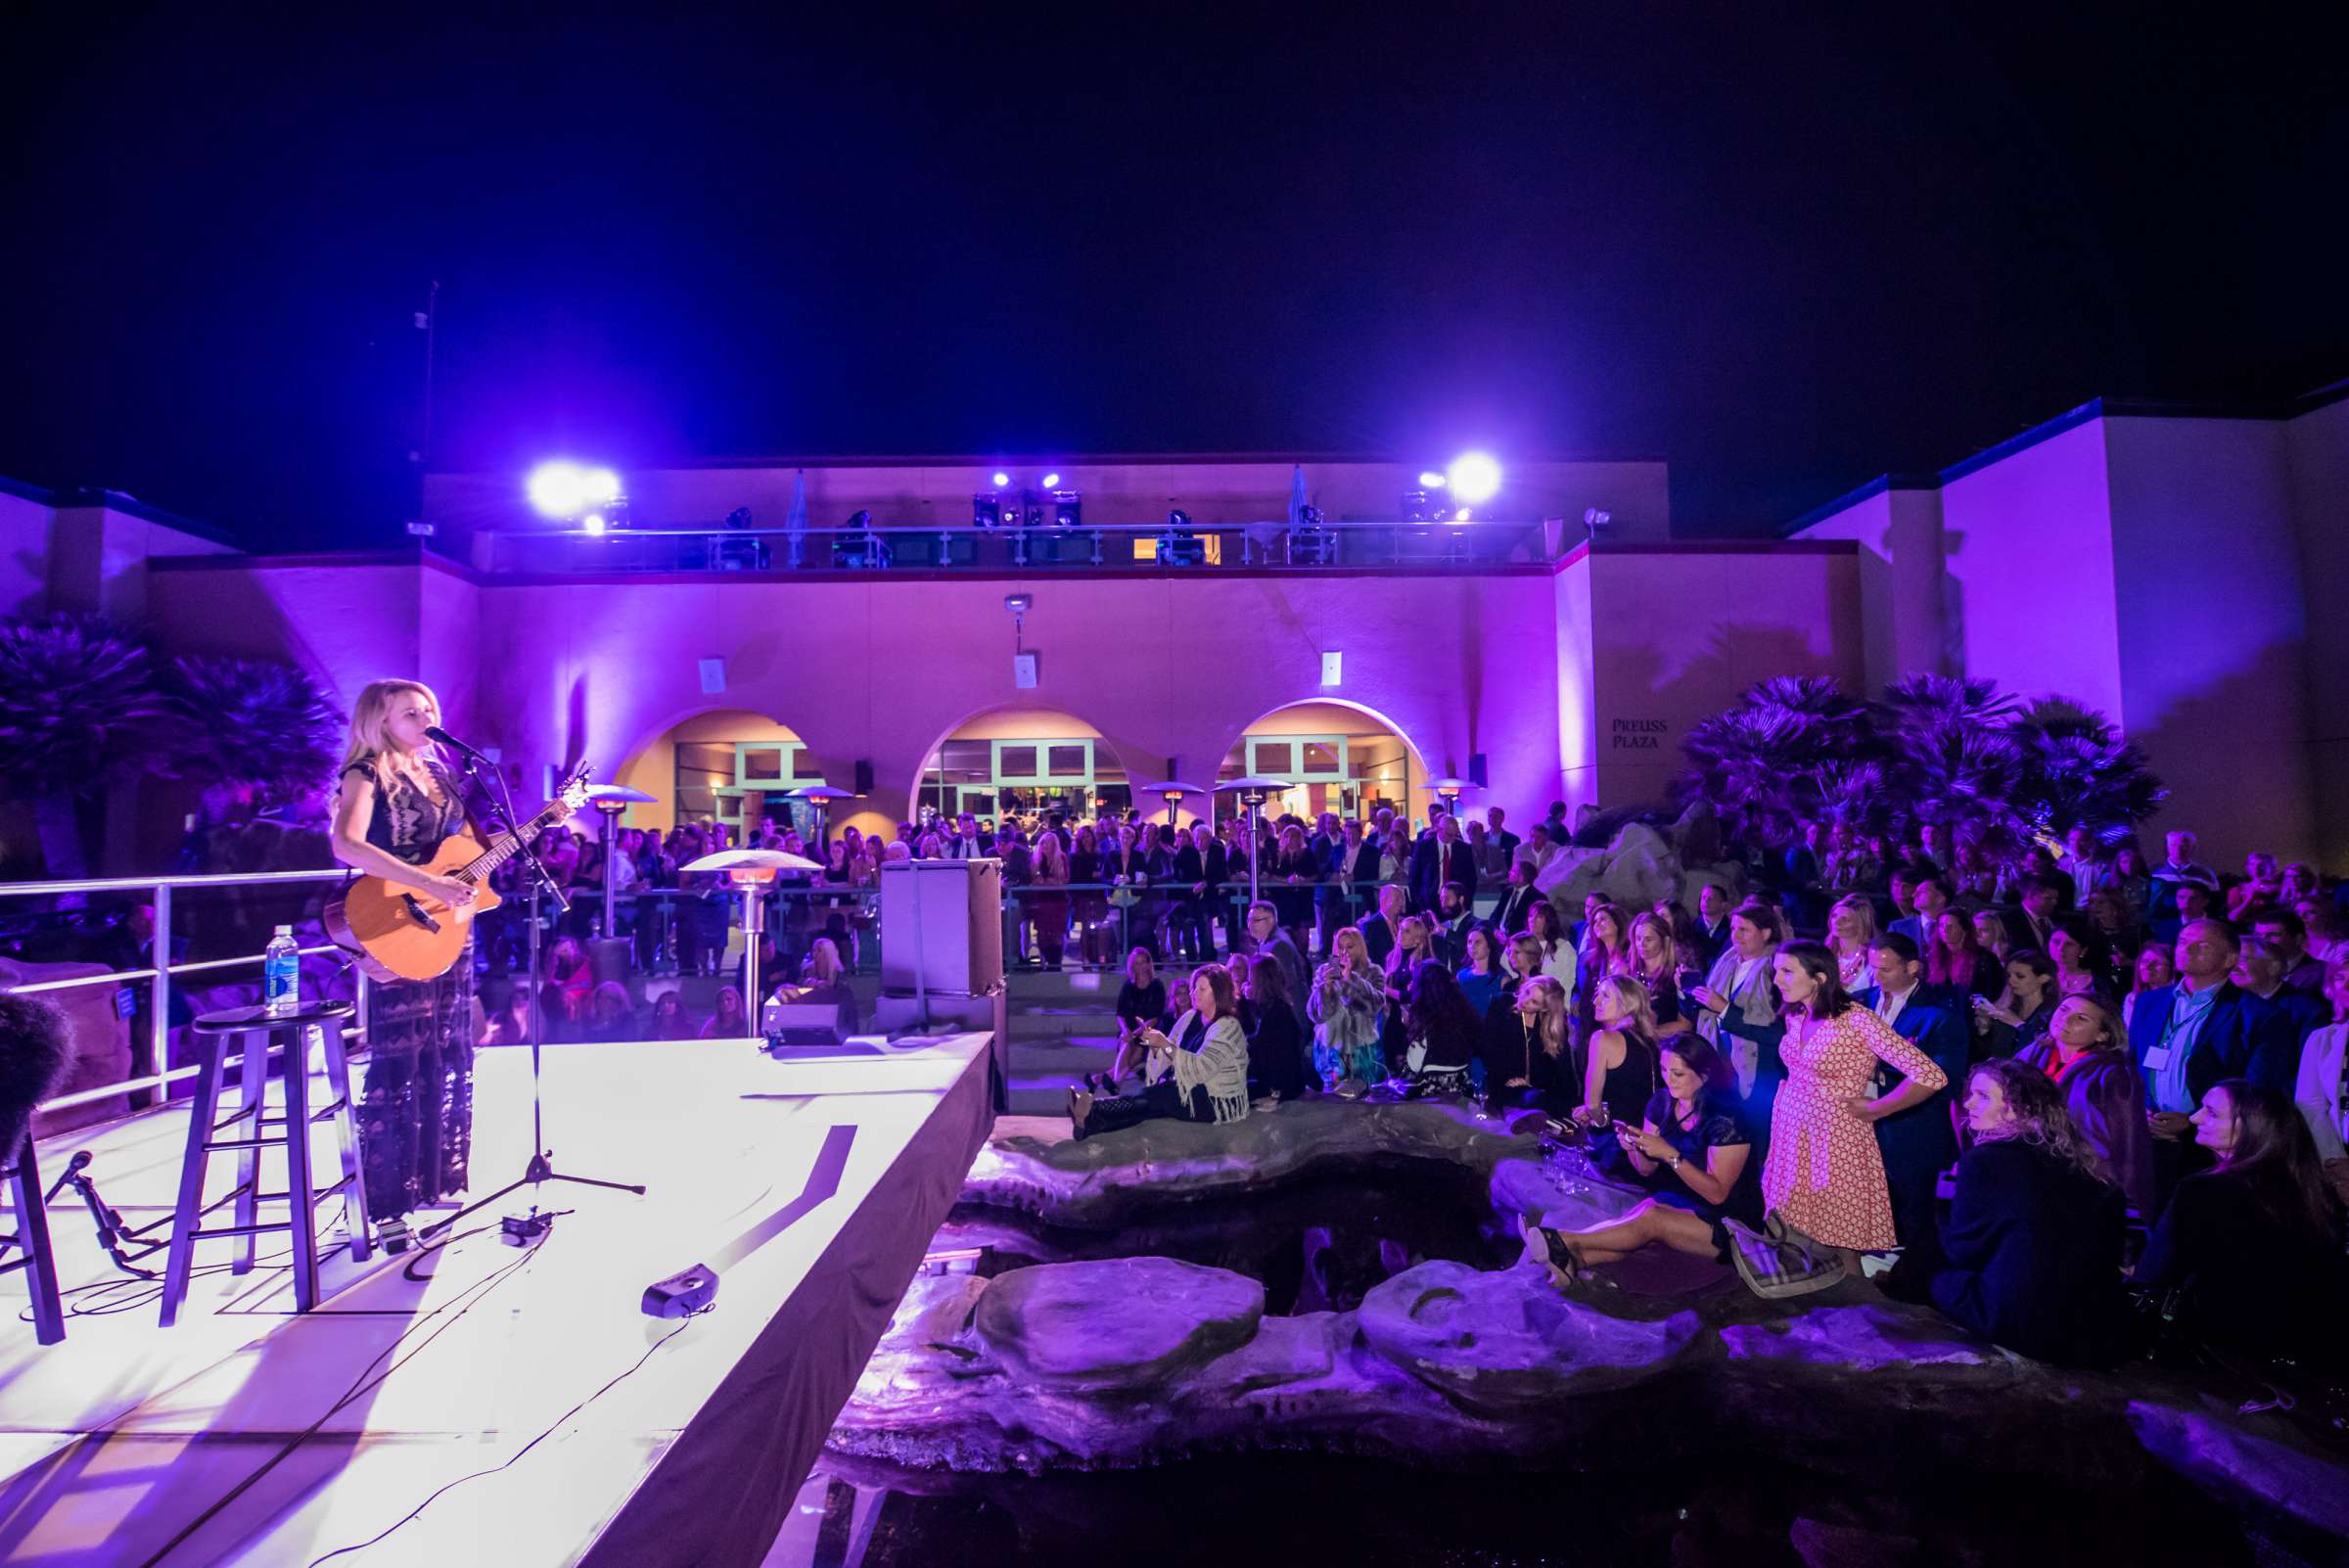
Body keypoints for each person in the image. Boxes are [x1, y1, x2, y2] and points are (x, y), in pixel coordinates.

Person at [327, 679, 482, 1231]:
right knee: (401, 1054)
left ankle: (434, 1179)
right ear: (380, 722)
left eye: (428, 709)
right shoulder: (363, 775)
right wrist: (427, 883)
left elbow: (464, 854)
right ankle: (387, 1197)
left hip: (445, 927)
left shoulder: (442, 775)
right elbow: (347, 844)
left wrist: (534, 830)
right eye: (409, 712)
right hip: (398, 919)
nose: (424, 718)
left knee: (444, 1047)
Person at [1919, 1059, 2129, 1366]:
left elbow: (1964, 1251)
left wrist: (1939, 1213)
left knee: (1929, 1263)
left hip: (2019, 1322)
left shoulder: (1986, 1161)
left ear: (2021, 1110)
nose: (1968, 1103)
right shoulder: (2085, 1169)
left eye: (1983, 1096)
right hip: (2089, 1329)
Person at [1757, 940, 1949, 1270]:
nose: (1777, 980)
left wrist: (1879, 1108)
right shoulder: (1797, 1014)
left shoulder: (1857, 1020)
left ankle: (1859, 1309)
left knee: (1841, 1239)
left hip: (1836, 1139)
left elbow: (1930, 1075)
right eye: (1776, 971)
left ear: (1818, 977)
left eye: (1787, 971)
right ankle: (1805, 1303)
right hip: (1793, 1132)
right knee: (1795, 1231)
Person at [2134, 1081, 2349, 1371]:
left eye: (2211, 1113)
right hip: (2307, 1349)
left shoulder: (2202, 1191)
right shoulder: (2313, 1190)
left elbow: (2155, 1273)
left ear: (2251, 1127)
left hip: (2219, 1349)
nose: (2195, 1118)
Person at [1524, 1035, 1763, 1279]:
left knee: (1652, 1218)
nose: (1668, 1079)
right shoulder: (1662, 1102)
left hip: (1733, 1226)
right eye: (1663, 1069)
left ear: (1705, 1075)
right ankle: (1571, 1260)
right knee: (1644, 1214)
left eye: (1677, 1073)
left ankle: (1562, 1240)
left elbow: (1717, 1194)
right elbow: (1645, 1170)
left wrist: (1670, 1155)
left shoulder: (1727, 1119)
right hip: (1686, 1205)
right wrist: (1633, 1147)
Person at [2130, 918, 2301, 1206]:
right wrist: (2143, 1111)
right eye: (2183, 942)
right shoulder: (2150, 1002)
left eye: (2203, 945)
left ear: (2230, 959)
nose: (2188, 949)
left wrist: (2194, 1121)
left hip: (2215, 1149)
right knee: (2156, 1230)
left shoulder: (2260, 1015)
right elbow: (2133, 1065)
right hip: (2152, 1140)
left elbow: (2258, 1090)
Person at [1853, 932, 1972, 1266]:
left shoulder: (1940, 1016)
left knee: (1914, 1212)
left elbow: (1942, 1078)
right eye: (1873, 967)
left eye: (1886, 969)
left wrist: (1879, 1101)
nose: (1877, 976)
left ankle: (1916, 1279)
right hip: (1860, 1124)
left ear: (1913, 967)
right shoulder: (1860, 1002)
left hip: (1913, 1130)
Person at [2017, 992, 2155, 1219]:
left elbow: (2129, 1141)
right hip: (2028, 1173)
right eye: (2064, 1010)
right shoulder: (2032, 1053)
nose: (2066, 1019)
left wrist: (2131, 1200)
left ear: (2102, 1035)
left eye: (2081, 1018)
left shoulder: (2113, 1073)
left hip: (2082, 1179)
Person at [1069, 966, 1251, 1138]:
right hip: (1188, 1089)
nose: (1194, 993)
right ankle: (1091, 1123)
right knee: (1152, 1103)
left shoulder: (1228, 1026)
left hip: (1218, 1100)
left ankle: (1093, 1109)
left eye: (1202, 989)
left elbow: (1200, 1070)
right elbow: (1168, 1053)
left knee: (1163, 1095)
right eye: (1194, 987)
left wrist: (1164, 1044)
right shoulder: (1189, 1017)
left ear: (1218, 992)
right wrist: (1155, 1045)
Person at [1690, 900, 1784, 1109]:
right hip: (1720, 1066)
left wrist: (1725, 1009)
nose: (1735, 935)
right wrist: (1684, 993)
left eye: (1744, 929)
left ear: (1766, 933)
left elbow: (1778, 1032)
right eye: (1733, 928)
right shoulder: (1726, 961)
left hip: (1759, 1071)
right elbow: (1701, 1013)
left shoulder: (1777, 970)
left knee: (1756, 1134)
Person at [2289, 960, 2349, 1204]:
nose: (2347, 985)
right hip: (2340, 1154)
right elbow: (2310, 1105)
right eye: (2340, 978)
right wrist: (2336, 1165)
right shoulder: (2322, 1038)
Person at [1309, 925, 1386, 1085]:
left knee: (1364, 1101)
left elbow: (1376, 1005)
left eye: (1350, 947)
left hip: (1362, 1048)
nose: (1344, 952)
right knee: (1333, 1101)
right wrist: (1326, 989)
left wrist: (1351, 979)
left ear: (1360, 947)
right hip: (1331, 1049)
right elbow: (1315, 1014)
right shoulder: (1324, 971)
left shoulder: (1373, 972)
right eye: (1340, 947)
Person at [1581, 976, 1660, 1131]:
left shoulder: (1602, 1039)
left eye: (1605, 997)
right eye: (1598, 995)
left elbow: (1592, 1104)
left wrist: (1600, 1121)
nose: (1595, 1001)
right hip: (1647, 1136)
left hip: (1619, 1139)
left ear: (1626, 1005)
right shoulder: (1650, 1040)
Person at [1487, 973, 1574, 1113]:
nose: (1525, 1000)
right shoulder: (1502, 1003)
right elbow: (1489, 1048)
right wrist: (1512, 1078)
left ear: (1544, 1009)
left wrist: (1531, 1084)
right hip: (1502, 1084)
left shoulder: (1552, 1025)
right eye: (1527, 992)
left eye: (1534, 1002)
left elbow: (1556, 1069)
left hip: (1537, 1091)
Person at [1401, 960, 1482, 1093]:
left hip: (1433, 1098)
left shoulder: (1425, 1020)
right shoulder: (1465, 1015)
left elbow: (1414, 1065)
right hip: (1462, 1093)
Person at [1240, 953, 1308, 1100]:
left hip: (1280, 1083)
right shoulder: (1273, 1004)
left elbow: (1263, 1046)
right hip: (1279, 1078)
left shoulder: (1276, 1010)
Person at [1977, 949, 2057, 1058]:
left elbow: (2044, 1052)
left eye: (2020, 976)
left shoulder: (2053, 1014)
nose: (2011, 980)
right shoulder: (2006, 1005)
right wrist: (1984, 1025)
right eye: (2009, 975)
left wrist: (2018, 1025)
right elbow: (1990, 1053)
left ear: (2043, 978)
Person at [1925, 909, 2003, 998]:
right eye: (1941, 926)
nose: (1945, 930)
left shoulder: (1984, 958)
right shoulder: (1934, 957)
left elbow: (1992, 993)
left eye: (1951, 926)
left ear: (1964, 930)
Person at [1029, 830, 1071, 970]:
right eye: (1043, 843)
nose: (1046, 846)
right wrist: (1049, 881)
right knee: (1042, 933)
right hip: (1041, 901)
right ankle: (1044, 960)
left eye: (1050, 843)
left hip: (1058, 901)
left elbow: (1063, 880)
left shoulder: (1062, 858)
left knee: (1058, 933)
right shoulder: (1036, 859)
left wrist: (1045, 881)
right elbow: (1034, 880)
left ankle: (1056, 963)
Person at [1826, 894, 1877, 992]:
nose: (1836, 922)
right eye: (1834, 916)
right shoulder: (1825, 955)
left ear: (1861, 925)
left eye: (1844, 919)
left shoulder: (1872, 959)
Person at [1455, 925, 1507, 1018]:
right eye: (1469, 942)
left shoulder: (1502, 979)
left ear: (1489, 945)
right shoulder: (1461, 975)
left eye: (1477, 942)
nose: (1472, 946)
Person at [1526, 900, 1579, 991]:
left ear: (1549, 920)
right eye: (1530, 915)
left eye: (1539, 916)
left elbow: (1569, 980)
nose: (1532, 920)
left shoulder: (1563, 947)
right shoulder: (1523, 945)